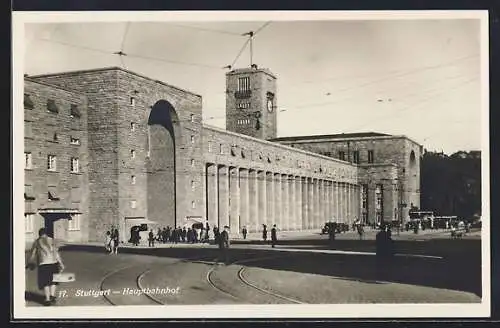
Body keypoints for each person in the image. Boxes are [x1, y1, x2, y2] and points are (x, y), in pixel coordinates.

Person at [26, 228, 65, 306]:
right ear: (46, 234)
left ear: (39, 234)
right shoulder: (52, 240)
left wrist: (29, 263)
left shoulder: (37, 242)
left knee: (46, 282)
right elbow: (56, 253)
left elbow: (32, 254)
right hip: (53, 263)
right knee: (53, 281)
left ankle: (47, 300)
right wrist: (61, 263)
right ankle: (52, 296)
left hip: (43, 264)